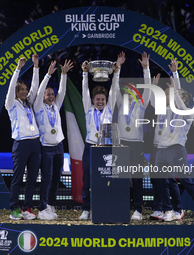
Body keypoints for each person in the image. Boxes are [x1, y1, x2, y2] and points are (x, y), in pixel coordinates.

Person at [154, 59, 194, 222]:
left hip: (177, 148)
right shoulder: (167, 110)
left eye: (178, 97)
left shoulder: (188, 113)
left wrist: (175, 84)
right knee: (161, 181)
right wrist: (174, 73)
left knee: (185, 179)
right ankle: (168, 210)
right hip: (161, 148)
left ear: (185, 101)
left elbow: (178, 96)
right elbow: (174, 95)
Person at [79, 52, 126, 220]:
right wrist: (85, 73)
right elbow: (84, 91)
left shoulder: (110, 109)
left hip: (106, 148)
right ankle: (86, 209)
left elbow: (115, 90)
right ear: (92, 100)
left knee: (107, 179)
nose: (100, 101)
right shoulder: (88, 109)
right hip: (90, 147)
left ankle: (106, 207)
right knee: (87, 179)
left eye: (102, 99)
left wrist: (116, 72)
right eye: (97, 99)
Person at [115, 52, 159, 220]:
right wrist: (117, 69)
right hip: (121, 144)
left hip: (136, 145)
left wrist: (146, 69)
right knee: (122, 178)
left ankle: (138, 210)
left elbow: (148, 88)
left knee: (137, 178)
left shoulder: (141, 104)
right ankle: (122, 206)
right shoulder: (120, 102)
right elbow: (113, 88)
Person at [33, 59, 74, 220]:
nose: (51, 96)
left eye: (52, 94)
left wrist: (63, 75)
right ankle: (42, 208)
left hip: (59, 146)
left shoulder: (56, 106)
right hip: (45, 147)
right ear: (42, 96)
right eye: (48, 94)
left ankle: (50, 204)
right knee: (47, 178)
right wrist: (48, 75)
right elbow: (41, 88)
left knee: (56, 178)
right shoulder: (37, 107)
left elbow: (62, 92)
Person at [5, 55, 41, 220]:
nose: (25, 92)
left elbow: (35, 87)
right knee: (18, 178)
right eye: (22, 91)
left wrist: (35, 67)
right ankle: (14, 209)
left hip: (35, 144)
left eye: (25, 91)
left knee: (32, 178)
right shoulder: (11, 104)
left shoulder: (29, 103)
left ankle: (27, 207)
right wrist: (18, 68)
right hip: (21, 144)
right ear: (16, 93)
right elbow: (12, 85)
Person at [150, 58, 181, 221]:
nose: (166, 96)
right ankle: (160, 208)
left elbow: (179, 91)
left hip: (168, 148)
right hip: (156, 148)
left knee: (170, 180)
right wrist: (154, 87)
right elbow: (153, 99)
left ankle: (177, 208)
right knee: (157, 181)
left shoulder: (175, 110)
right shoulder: (161, 108)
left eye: (168, 94)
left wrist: (175, 74)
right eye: (165, 94)